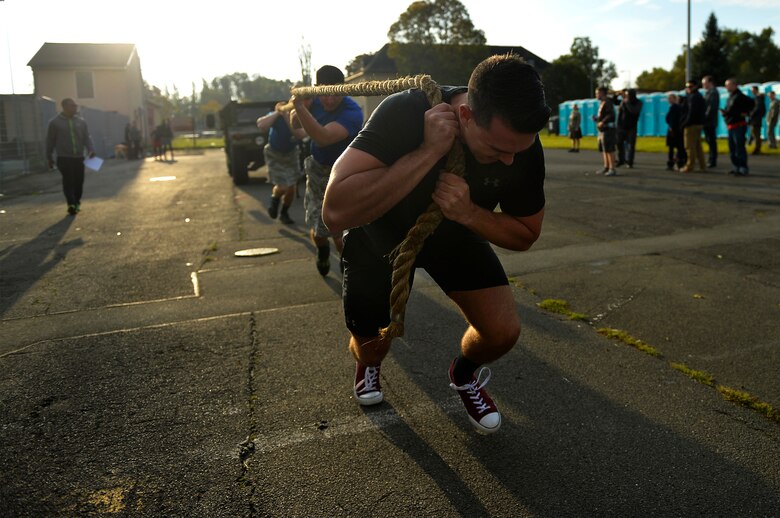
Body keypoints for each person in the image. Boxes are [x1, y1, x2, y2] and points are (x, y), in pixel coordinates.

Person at [322, 54, 551, 434]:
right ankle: (369, 364)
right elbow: (336, 210)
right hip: (381, 234)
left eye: (518, 150)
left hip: (455, 234)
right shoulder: (406, 110)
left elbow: (526, 233)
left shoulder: (521, 146)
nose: (509, 161)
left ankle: (463, 376)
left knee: (501, 332)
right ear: (465, 117)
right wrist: (427, 152)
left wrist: (471, 214)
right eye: (496, 149)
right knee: (373, 344)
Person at [290, 65, 363, 276]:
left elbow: (323, 138)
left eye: (335, 93)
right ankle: (322, 250)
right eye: (325, 93)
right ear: (316, 89)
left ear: (343, 89)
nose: (330, 100)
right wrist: (299, 108)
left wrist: (301, 109)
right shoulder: (313, 101)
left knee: (341, 229)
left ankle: (348, 264)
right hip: (317, 171)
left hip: (344, 171)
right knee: (320, 230)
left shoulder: (352, 112)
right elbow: (297, 130)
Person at [45, 98, 96, 215]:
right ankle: (71, 204)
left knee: (79, 181)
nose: (75, 107)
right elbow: (50, 141)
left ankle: (77, 201)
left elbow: (86, 137)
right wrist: (49, 157)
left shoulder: (81, 122)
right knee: (68, 180)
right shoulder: (55, 123)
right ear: (65, 107)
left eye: (75, 105)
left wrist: (91, 150)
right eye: (72, 106)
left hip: (78, 157)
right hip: (64, 157)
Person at [257, 101, 302, 224]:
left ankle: (284, 213)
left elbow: (299, 134)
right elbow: (261, 125)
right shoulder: (276, 116)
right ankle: (275, 199)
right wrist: (278, 113)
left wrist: (287, 117)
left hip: (291, 153)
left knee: (291, 187)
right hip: (275, 153)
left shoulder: (298, 117)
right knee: (282, 186)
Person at [721, 78, 755, 176]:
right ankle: (736, 166)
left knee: (739, 147)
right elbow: (730, 110)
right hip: (731, 125)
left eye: (728, 85)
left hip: (738, 125)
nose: (726, 87)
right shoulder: (730, 97)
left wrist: (746, 113)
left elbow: (752, 103)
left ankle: (743, 167)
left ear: (734, 85)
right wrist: (726, 113)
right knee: (732, 149)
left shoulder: (740, 96)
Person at [680, 81, 706, 173]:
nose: (688, 89)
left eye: (690, 87)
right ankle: (703, 166)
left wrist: (685, 123)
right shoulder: (699, 96)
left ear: (695, 86)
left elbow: (691, 112)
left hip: (692, 124)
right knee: (698, 146)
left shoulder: (693, 97)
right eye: (687, 87)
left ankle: (689, 166)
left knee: (689, 146)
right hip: (699, 123)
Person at [616, 88, 643, 168]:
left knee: (631, 145)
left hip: (632, 127)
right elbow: (620, 114)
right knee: (619, 143)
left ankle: (630, 162)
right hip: (622, 126)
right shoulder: (623, 102)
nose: (626, 96)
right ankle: (621, 160)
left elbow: (634, 111)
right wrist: (618, 125)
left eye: (628, 95)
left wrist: (627, 103)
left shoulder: (638, 103)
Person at [594, 86, 617, 176]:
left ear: (602, 93)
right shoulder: (602, 102)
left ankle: (612, 169)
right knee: (604, 149)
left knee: (609, 149)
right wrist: (597, 119)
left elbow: (611, 114)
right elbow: (604, 115)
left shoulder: (608, 102)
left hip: (608, 129)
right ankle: (606, 167)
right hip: (603, 130)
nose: (596, 95)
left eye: (597, 93)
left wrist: (603, 122)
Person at [701, 75, 720, 167]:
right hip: (707, 121)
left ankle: (712, 160)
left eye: (704, 83)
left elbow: (711, 107)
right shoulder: (708, 93)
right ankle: (711, 159)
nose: (703, 85)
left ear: (710, 83)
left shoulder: (713, 93)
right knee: (709, 140)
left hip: (710, 121)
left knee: (711, 141)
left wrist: (704, 118)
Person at [665, 93, 687, 171]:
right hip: (675, 129)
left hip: (674, 130)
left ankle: (675, 162)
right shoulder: (673, 107)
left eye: (671, 98)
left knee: (676, 147)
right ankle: (676, 162)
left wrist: (671, 127)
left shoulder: (675, 107)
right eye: (668, 98)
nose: (669, 100)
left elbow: (672, 119)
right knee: (676, 147)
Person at [748, 85, 766, 155]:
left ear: (756, 90)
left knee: (755, 134)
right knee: (755, 133)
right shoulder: (759, 98)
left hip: (756, 119)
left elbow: (757, 108)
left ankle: (757, 149)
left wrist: (751, 114)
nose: (752, 91)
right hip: (757, 118)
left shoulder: (758, 98)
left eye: (753, 90)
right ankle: (757, 148)